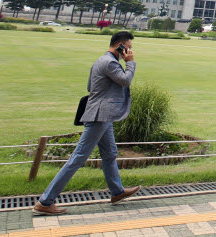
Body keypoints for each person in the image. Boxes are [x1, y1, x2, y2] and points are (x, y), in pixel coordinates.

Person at [33, 31, 140, 215]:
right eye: (128, 47)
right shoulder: (109, 62)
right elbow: (125, 80)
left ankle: (117, 191)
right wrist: (129, 63)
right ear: (120, 46)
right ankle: (45, 201)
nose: (130, 51)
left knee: (110, 153)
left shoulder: (102, 60)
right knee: (78, 158)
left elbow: (91, 86)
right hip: (100, 116)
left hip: (102, 115)